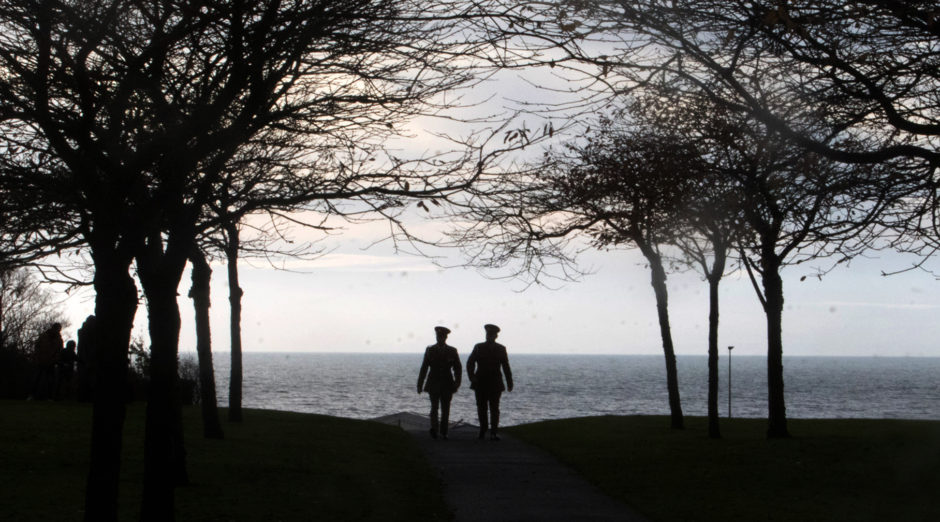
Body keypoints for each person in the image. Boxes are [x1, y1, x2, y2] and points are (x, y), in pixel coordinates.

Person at [467, 323, 513, 440]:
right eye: (488, 334)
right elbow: (470, 363)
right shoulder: (478, 347)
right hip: (480, 382)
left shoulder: (501, 349)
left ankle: (493, 432)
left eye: (491, 335)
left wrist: (509, 382)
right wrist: (472, 377)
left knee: (494, 408)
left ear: (495, 336)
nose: (489, 336)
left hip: (495, 383)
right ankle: (483, 430)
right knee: (481, 407)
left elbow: (505, 366)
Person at [417, 326, 462, 440]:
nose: (439, 338)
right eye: (438, 336)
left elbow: (458, 368)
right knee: (434, 408)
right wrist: (420, 384)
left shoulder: (452, 351)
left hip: (447, 384)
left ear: (445, 337)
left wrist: (457, 383)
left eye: (441, 336)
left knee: (446, 409)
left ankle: (444, 432)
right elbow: (424, 368)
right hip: (433, 383)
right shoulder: (430, 350)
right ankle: (435, 429)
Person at [31, 323, 63, 400]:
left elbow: (59, 351)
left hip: (51, 362)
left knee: (50, 381)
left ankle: (49, 397)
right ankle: (32, 395)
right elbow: (37, 347)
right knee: (37, 379)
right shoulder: (44, 336)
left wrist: (54, 360)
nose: (58, 330)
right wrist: (37, 357)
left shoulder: (59, 340)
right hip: (41, 360)